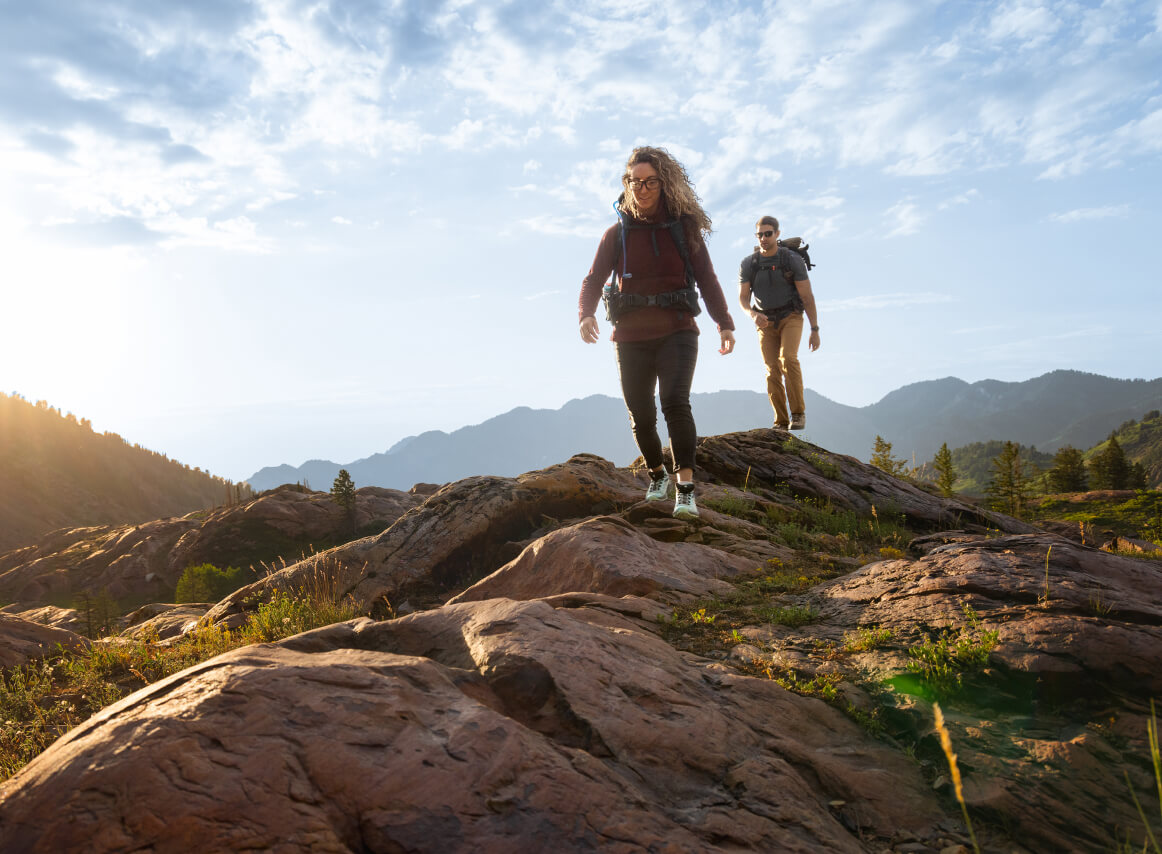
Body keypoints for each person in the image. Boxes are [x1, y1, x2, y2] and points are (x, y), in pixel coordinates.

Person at [578, 146, 736, 519]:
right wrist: (585, 314)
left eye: (650, 182)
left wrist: (724, 322)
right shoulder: (615, 235)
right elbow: (593, 279)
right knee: (640, 413)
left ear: (664, 184)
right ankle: (656, 473)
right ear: (627, 184)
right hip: (630, 337)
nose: (642, 189)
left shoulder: (683, 229)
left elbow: (708, 279)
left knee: (675, 403)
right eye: (635, 182)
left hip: (677, 331)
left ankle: (685, 489)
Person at [738, 216, 820, 430]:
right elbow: (743, 299)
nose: (764, 238)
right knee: (771, 369)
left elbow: (807, 296)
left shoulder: (791, 260)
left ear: (777, 234)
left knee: (788, 359)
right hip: (764, 321)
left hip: (790, 316)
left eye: (768, 233)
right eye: (760, 235)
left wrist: (814, 329)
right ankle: (781, 423)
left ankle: (798, 414)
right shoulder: (749, 263)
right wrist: (752, 314)